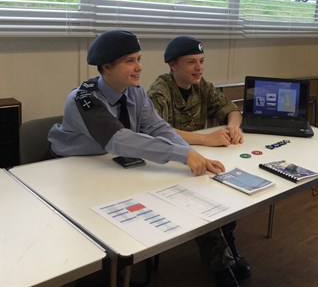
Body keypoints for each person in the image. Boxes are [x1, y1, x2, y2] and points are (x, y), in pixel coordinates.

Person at [47, 30, 239, 287]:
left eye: (139, 58)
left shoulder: (134, 92)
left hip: (109, 166)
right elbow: (120, 140)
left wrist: (192, 154)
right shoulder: (83, 99)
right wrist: (182, 154)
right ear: (106, 67)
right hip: (68, 170)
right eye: (130, 61)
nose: (139, 67)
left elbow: (158, 127)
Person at [148, 35, 249, 286]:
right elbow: (155, 131)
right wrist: (205, 140)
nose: (199, 68)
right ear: (173, 65)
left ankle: (230, 247)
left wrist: (234, 127)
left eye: (202, 61)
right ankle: (222, 266)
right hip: (166, 165)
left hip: (199, 162)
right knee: (207, 206)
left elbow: (231, 109)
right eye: (191, 62)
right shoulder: (160, 91)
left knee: (227, 191)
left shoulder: (201, 85)